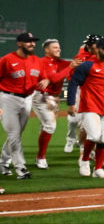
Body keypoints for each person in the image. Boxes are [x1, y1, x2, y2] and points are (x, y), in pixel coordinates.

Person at [67, 37, 104, 178]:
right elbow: (73, 83)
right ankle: (85, 161)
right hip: (90, 106)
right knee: (94, 136)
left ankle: (98, 169)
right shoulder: (87, 65)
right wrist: (71, 103)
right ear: (98, 49)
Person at [0, 32, 43, 179]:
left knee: (16, 134)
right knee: (14, 134)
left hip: (27, 99)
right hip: (8, 99)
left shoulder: (36, 60)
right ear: (19, 43)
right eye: (28, 41)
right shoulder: (7, 60)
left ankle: (2, 162)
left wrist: (47, 82)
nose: (32, 44)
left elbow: (45, 78)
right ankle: (21, 168)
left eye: (33, 41)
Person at [31, 38, 76, 169]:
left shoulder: (63, 63)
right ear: (46, 49)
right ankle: (41, 157)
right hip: (41, 96)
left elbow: (72, 75)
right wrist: (70, 68)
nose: (59, 49)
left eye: (59, 47)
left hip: (54, 98)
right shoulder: (41, 62)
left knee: (45, 127)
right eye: (55, 47)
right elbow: (53, 78)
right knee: (50, 126)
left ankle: (35, 156)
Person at [65, 34, 103, 153]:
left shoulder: (102, 56)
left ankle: (84, 147)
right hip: (79, 89)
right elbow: (71, 76)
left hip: (92, 92)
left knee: (86, 122)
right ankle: (70, 139)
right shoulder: (81, 56)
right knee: (72, 120)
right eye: (89, 45)